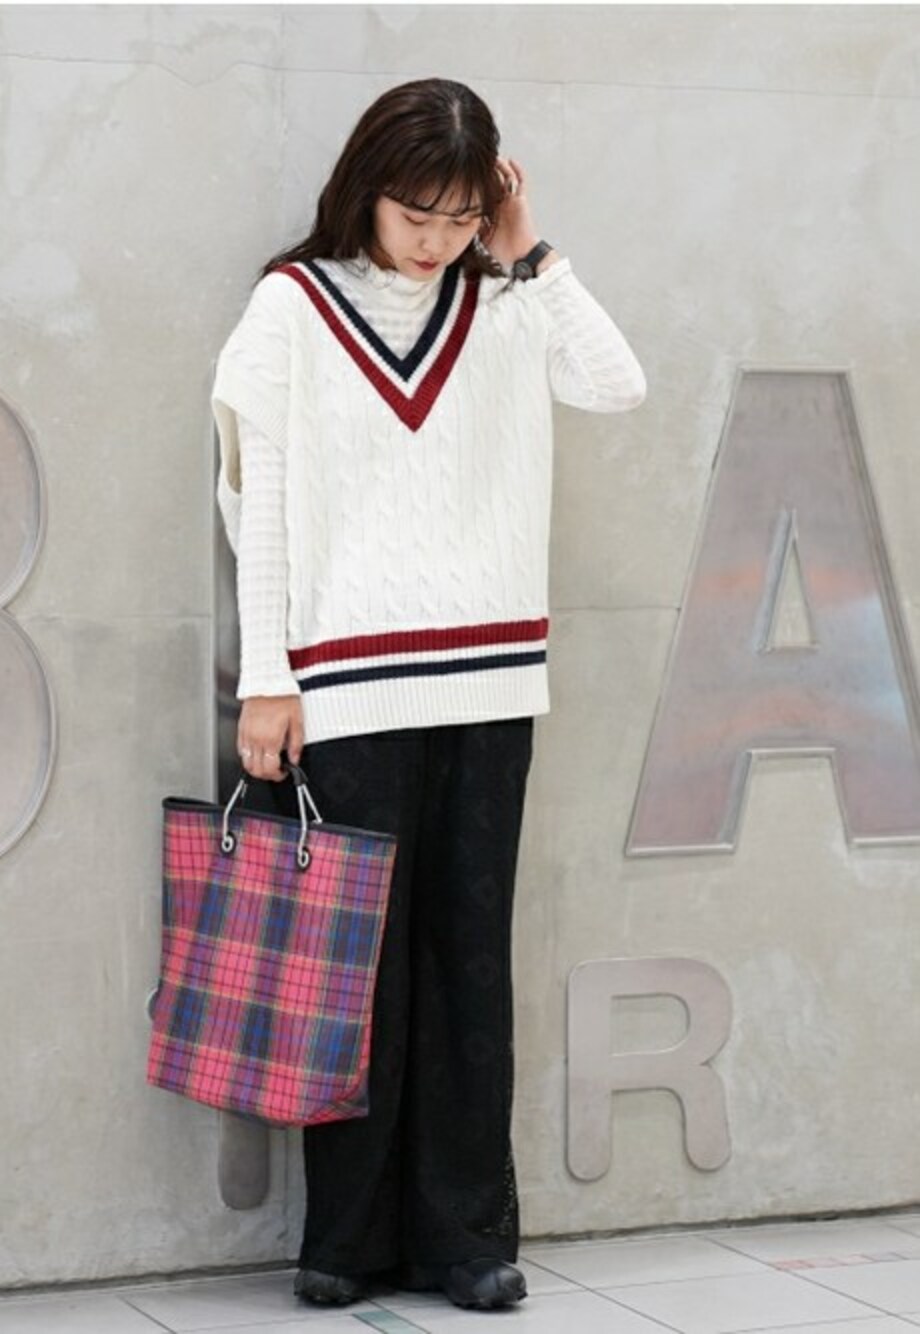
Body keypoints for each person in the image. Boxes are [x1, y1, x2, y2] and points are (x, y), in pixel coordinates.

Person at [210, 76, 646, 1313]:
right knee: (351, 968)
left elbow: (617, 383)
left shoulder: (505, 300)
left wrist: (529, 252)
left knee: (468, 962)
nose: (437, 240)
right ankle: (346, 1239)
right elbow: (259, 501)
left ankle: (465, 1236)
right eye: (418, 215)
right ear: (368, 188)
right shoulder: (293, 305)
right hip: (344, 687)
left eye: (461, 217)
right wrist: (268, 680)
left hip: (490, 679)